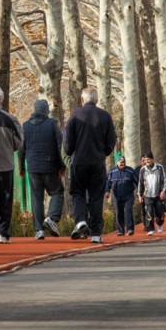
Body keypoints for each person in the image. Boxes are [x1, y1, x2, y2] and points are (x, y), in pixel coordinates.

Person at [63, 87, 117, 243]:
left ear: (82, 99)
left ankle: (80, 221)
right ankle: (96, 233)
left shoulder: (75, 115)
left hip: (79, 162)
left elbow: (67, 143)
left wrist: (72, 151)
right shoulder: (105, 116)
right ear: (97, 100)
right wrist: (103, 152)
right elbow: (111, 141)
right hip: (97, 161)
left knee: (78, 193)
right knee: (95, 197)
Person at [19, 99, 65, 240]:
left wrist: (21, 167)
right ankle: (51, 218)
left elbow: (21, 149)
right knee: (57, 192)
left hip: (32, 167)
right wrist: (62, 166)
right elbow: (60, 147)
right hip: (50, 166)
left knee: (36, 199)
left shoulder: (25, 126)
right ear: (46, 111)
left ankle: (39, 230)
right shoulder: (52, 124)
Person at [0, 87, 23, 243]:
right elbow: (19, 142)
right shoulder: (10, 119)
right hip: (6, 165)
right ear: (3, 101)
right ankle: (2, 233)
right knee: (5, 199)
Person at [105, 155, 137, 236]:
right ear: (117, 162)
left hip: (128, 195)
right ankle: (120, 230)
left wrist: (139, 192)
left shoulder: (130, 171)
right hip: (117, 196)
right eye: (120, 162)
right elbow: (108, 183)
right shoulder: (112, 171)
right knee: (119, 212)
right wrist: (107, 191)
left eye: (123, 162)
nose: (122, 164)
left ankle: (130, 229)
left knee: (128, 210)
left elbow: (137, 182)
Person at [138, 151, 166, 236]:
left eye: (148, 159)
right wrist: (140, 195)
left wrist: (163, 191)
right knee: (149, 212)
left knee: (160, 212)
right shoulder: (143, 170)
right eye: (145, 160)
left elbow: (164, 180)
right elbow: (140, 183)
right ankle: (151, 229)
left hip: (158, 194)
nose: (147, 161)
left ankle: (159, 223)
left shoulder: (159, 168)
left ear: (152, 159)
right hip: (148, 195)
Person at [134, 154, 148, 230]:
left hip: (150, 192)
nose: (144, 162)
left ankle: (150, 223)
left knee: (150, 208)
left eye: (145, 160)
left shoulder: (151, 168)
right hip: (141, 192)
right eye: (143, 161)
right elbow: (135, 181)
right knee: (144, 208)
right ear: (140, 161)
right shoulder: (137, 170)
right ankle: (146, 224)